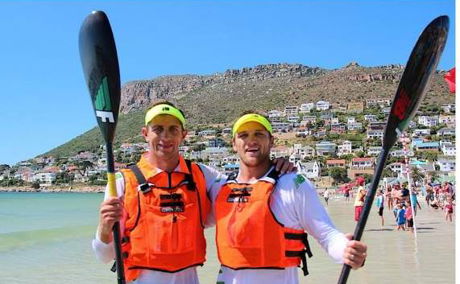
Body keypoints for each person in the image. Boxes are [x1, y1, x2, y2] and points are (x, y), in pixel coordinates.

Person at [92, 102, 293, 284]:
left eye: (173, 129)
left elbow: (246, 193)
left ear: (183, 134)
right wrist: (104, 227)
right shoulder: (122, 182)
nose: (166, 137)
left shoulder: (203, 176)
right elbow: (104, 256)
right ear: (145, 133)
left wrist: (273, 167)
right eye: (158, 129)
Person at [211, 113, 367, 284]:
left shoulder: (293, 184)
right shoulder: (219, 187)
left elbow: (327, 236)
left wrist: (347, 251)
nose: (252, 140)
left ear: (271, 141)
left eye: (259, 134)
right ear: (233, 143)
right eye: (243, 135)